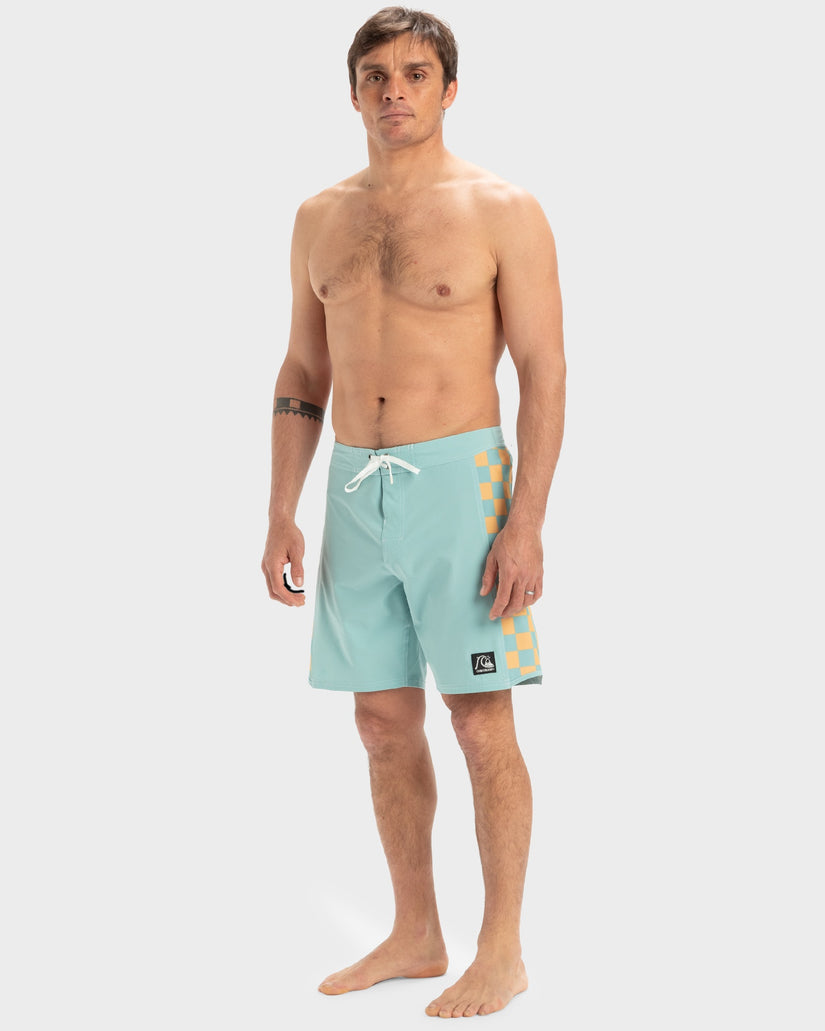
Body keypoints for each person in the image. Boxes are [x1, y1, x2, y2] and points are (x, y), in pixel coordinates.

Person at [261, 6, 565, 1019]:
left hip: (460, 488)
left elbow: (544, 371)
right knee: (381, 722)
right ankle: (415, 929)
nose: (395, 90)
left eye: (416, 73)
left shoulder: (501, 208)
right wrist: (280, 508)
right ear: (352, 93)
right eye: (377, 75)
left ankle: (502, 947)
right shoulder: (318, 216)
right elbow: (302, 369)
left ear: (449, 89)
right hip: (354, 490)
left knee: (479, 719)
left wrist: (525, 521)